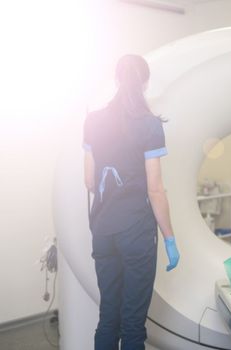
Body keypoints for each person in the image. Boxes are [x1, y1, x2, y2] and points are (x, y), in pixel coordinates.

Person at [83, 54, 180, 350]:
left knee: (108, 318)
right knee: (133, 324)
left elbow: (89, 181)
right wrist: (170, 238)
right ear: (145, 83)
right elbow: (155, 190)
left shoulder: (93, 120)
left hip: (102, 231)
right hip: (136, 233)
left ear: (116, 80)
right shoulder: (149, 125)